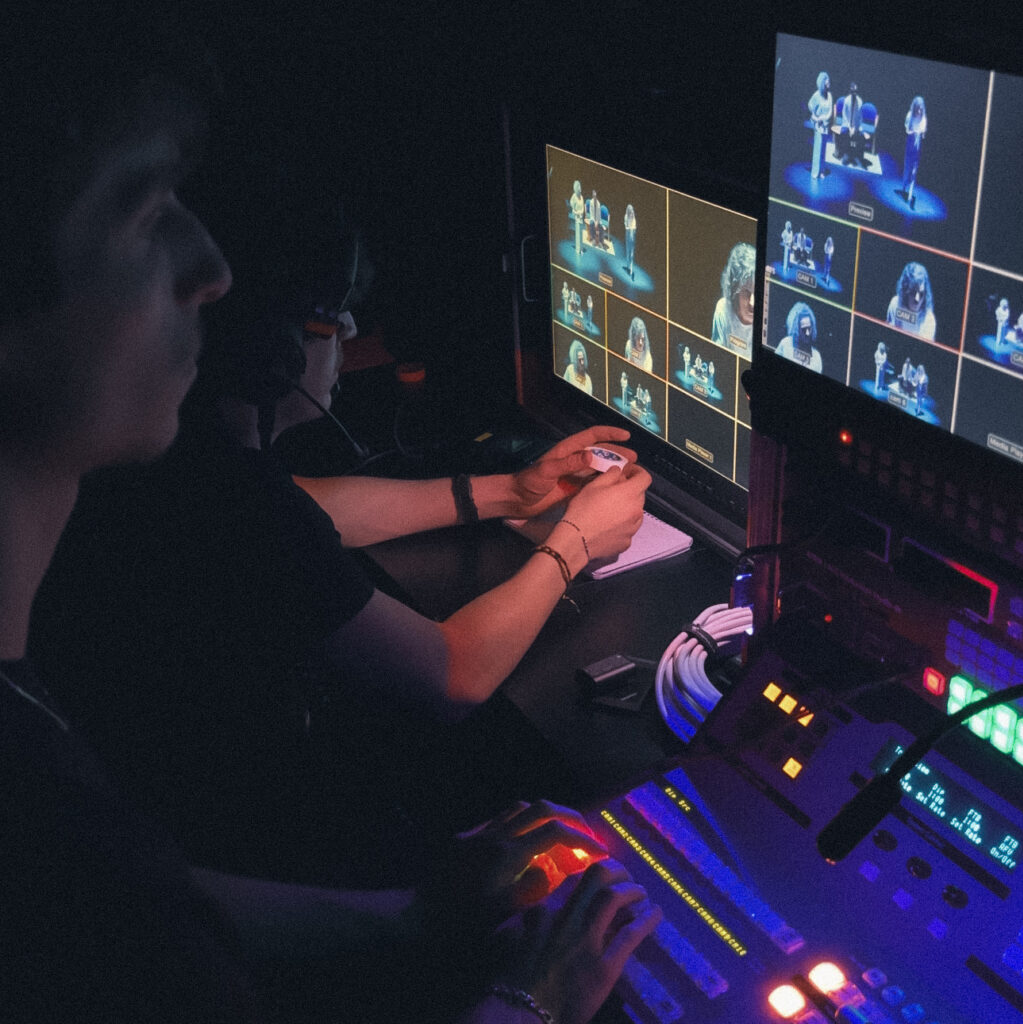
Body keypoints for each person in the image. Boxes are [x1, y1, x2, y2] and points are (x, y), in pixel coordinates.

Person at [5, 8, 660, 1022]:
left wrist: (507, 493)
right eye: (144, 211)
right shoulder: (40, 813)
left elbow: (158, 896)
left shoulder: (150, 510)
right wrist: (532, 1000)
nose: (208, 268)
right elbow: (446, 673)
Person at [31, 186, 653, 883]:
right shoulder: (230, 506)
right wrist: (574, 542)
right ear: (271, 354)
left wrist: (512, 491)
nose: (353, 332)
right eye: (330, 322)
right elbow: (453, 675)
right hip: (257, 843)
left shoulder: (194, 469)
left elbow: (322, 506)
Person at [711, 241, 756, 350]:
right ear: (735, 290)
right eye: (746, 292)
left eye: (757, 293)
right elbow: (718, 356)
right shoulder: (723, 310)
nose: (752, 303)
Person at [886, 261, 936, 339]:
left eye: (921, 294)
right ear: (905, 291)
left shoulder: (928, 319)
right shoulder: (895, 304)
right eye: (913, 292)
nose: (917, 299)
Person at [776, 301, 823, 372]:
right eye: (804, 329)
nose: (807, 333)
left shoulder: (817, 357)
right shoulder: (785, 344)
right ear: (796, 329)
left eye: (809, 328)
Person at [901, 95, 927, 210]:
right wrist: (913, 131)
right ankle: (904, 188)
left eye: (921, 108)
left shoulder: (924, 119)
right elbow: (907, 129)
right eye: (918, 108)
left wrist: (920, 133)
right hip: (910, 144)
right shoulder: (909, 115)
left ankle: (910, 196)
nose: (919, 110)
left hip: (917, 145)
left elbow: (923, 133)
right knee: (907, 168)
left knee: (914, 171)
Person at [807, 71, 833, 179]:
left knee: (823, 149)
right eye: (827, 83)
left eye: (829, 83)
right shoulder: (816, 95)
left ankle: (822, 170)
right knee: (817, 149)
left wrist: (824, 118)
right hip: (818, 125)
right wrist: (816, 117)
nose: (829, 85)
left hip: (825, 125)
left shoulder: (830, 95)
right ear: (823, 84)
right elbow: (810, 105)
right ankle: (815, 172)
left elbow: (830, 111)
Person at [570, 179, 585, 254]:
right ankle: (578, 249)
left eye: (580, 186)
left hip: (581, 217)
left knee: (581, 234)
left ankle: (581, 249)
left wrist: (580, 212)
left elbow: (582, 208)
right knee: (578, 234)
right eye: (578, 186)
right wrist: (575, 211)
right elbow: (571, 204)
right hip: (577, 217)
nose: (580, 188)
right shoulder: (574, 196)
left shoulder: (581, 197)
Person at [624, 202, 637, 278]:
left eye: (632, 212)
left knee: (632, 253)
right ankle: (628, 266)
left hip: (632, 236)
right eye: (630, 212)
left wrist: (632, 232)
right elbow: (627, 227)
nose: (632, 214)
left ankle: (631, 269)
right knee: (628, 251)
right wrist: (630, 229)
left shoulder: (634, 218)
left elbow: (634, 227)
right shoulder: (626, 217)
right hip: (628, 235)